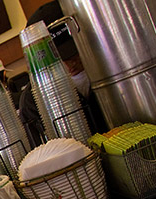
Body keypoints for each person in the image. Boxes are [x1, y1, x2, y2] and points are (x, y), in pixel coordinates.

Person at [19, 1, 107, 147]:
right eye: (59, 60)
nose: (69, 64)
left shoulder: (110, 68)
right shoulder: (32, 100)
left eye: (73, 53)